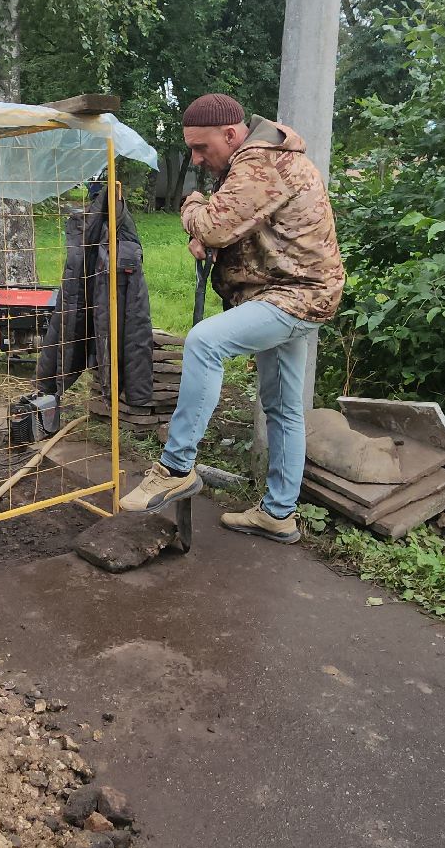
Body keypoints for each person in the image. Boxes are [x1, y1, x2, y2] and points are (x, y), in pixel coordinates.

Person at [115, 93, 344, 543]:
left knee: (205, 341)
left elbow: (215, 224)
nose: (198, 158)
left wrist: (192, 209)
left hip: (295, 296)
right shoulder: (257, 161)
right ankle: (278, 514)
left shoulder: (259, 160)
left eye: (203, 148)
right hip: (292, 291)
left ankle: (176, 467)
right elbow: (242, 227)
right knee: (282, 407)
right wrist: (211, 237)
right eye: (192, 150)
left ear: (231, 134)